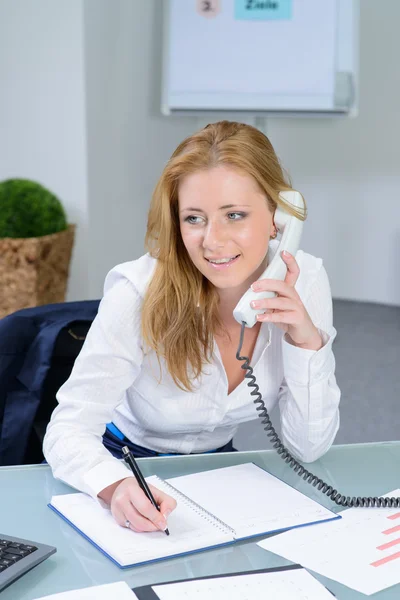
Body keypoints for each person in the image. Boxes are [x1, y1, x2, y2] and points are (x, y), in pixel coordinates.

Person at [43, 121, 340, 535]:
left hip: (219, 474)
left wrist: (305, 341)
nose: (212, 241)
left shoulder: (303, 280)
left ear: (279, 218)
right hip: (123, 464)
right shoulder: (138, 293)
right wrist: (112, 486)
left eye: (234, 215)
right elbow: (67, 430)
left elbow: (308, 448)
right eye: (194, 219)